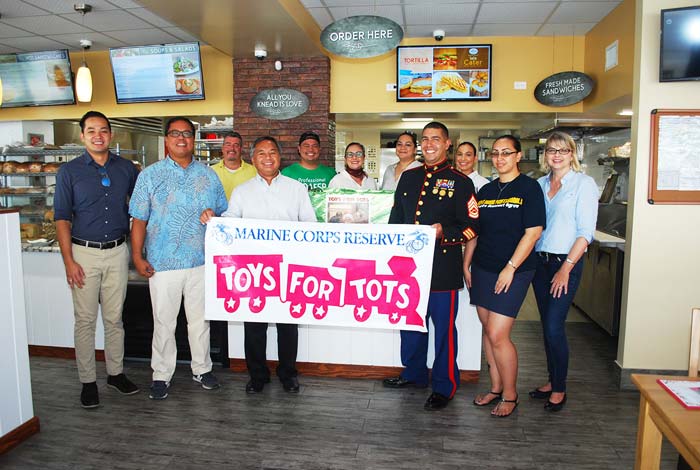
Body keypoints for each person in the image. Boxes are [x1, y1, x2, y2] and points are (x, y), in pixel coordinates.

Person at [201, 136, 316, 394]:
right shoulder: (242, 191)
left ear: (280, 157)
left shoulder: (297, 189)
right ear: (253, 159)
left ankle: (288, 374)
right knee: (254, 325)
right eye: (261, 153)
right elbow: (230, 222)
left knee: (288, 325)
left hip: (288, 268)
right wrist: (214, 219)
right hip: (253, 271)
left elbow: (310, 225)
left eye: (272, 152)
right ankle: (257, 376)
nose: (267, 157)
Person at [382, 121, 480, 411]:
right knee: (410, 324)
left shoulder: (461, 182)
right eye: (425, 139)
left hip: (443, 269)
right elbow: (395, 221)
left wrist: (444, 234)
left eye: (436, 139)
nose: (429, 144)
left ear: (447, 143)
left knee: (444, 331)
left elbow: (472, 226)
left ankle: (444, 385)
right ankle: (414, 373)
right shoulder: (409, 177)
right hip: (409, 269)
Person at [129, 116, 228, 400]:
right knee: (164, 322)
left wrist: (214, 215)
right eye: (175, 133)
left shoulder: (209, 175)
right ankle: (161, 374)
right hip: (163, 262)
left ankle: (202, 369)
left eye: (187, 133)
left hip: (201, 262)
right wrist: (137, 256)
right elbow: (139, 219)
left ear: (193, 139)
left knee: (200, 321)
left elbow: (223, 213)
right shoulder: (150, 175)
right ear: (167, 139)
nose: (181, 138)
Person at [54, 110, 140, 408]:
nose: (98, 135)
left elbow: (140, 208)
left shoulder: (126, 169)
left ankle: (115, 374)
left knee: (115, 319)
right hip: (83, 254)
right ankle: (88, 381)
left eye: (103, 130)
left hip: (117, 252)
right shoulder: (69, 172)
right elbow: (62, 218)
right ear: (82, 136)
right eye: (91, 130)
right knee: (85, 320)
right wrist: (69, 261)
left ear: (110, 134)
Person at [464, 135, 545, 417]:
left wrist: (510, 267)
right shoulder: (486, 190)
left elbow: (533, 233)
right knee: (488, 331)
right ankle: (496, 387)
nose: (500, 158)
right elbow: (475, 232)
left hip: (515, 270)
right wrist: (466, 264)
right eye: (495, 153)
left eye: (506, 153)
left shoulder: (529, 188)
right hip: (483, 267)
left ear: (518, 156)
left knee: (499, 334)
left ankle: (510, 394)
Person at [529, 131, 598, 412]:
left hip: (565, 263)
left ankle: (559, 387)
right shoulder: (539, 185)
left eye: (563, 150)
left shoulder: (584, 184)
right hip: (540, 263)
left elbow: (585, 233)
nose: (557, 155)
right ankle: (552, 378)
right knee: (546, 324)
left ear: (572, 154)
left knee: (554, 326)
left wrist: (565, 269)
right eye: (551, 150)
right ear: (545, 155)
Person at [210, 131, 256, 199]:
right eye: (228, 145)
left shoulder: (254, 172)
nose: (232, 148)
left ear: (241, 149)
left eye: (236, 145)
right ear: (222, 148)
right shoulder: (211, 172)